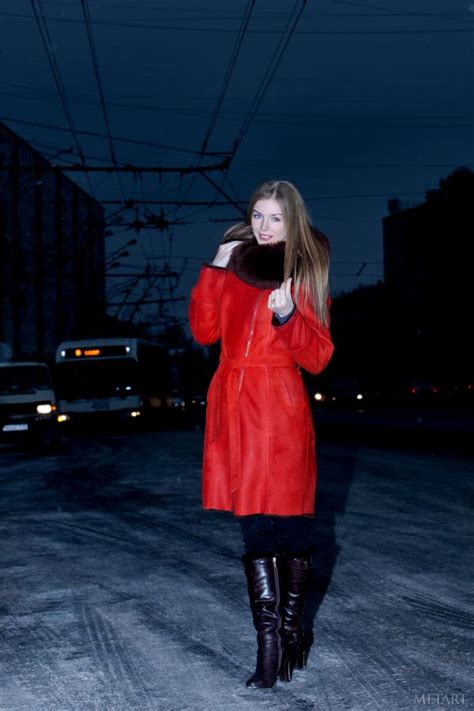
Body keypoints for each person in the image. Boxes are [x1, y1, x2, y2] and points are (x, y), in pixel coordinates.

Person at [188, 179, 334, 689]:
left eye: (275, 218)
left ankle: (290, 631)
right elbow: (204, 333)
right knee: (253, 528)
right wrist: (215, 266)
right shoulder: (234, 265)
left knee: (289, 527)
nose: (264, 228)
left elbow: (317, 357)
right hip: (234, 401)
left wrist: (288, 314)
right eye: (257, 216)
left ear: (292, 222)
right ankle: (269, 644)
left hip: (282, 405)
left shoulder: (303, 270)